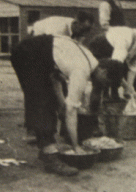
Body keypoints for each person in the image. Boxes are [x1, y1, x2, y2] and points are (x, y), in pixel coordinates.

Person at [11, 34, 123, 177]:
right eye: (106, 82)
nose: (103, 86)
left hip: (39, 51)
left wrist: (62, 103)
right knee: (42, 101)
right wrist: (76, 147)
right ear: (104, 71)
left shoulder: (90, 60)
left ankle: (42, 141)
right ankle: (50, 156)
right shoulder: (82, 71)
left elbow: (54, 76)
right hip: (27, 53)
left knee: (48, 97)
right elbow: (71, 112)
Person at [84, 25, 136, 99]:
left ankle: (114, 97)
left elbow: (133, 70)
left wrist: (130, 89)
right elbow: (115, 66)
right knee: (102, 76)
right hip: (101, 45)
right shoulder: (127, 37)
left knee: (121, 72)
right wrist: (126, 86)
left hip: (116, 53)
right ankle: (100, 99)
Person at [29, 12, 94, 38]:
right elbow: (52, 48)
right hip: (36, 36)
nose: (85, 33)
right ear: (76, 23)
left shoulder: (79, 32)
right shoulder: (59, 28)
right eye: (84, 29)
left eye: (88, 29)